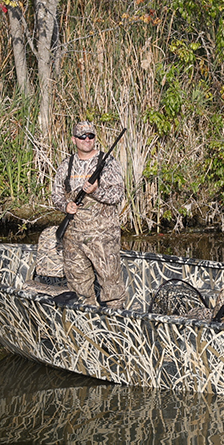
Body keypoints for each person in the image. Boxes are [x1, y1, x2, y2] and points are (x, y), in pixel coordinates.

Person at [52, 120, 126, 308]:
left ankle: (115, 330)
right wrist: (65, 206)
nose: (87, 139)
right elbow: (56, 196)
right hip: (73, 239)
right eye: (82, 136)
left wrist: (96, 191)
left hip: (103, 238)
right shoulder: (66, 165)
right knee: (79, 289)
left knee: (112, 289)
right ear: (74, 139)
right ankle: (86, 330)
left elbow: (118, 195)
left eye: (91, 136)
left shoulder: (107, 162)